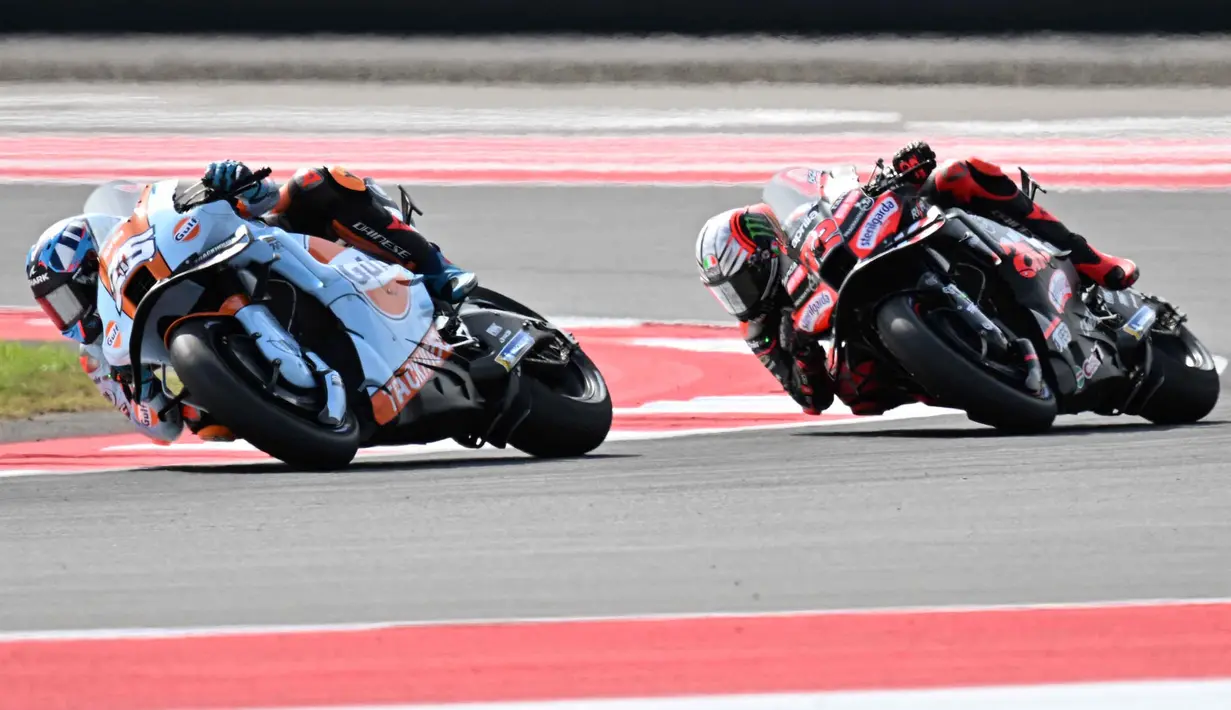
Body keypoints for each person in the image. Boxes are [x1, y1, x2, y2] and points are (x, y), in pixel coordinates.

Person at [24, 161, 478, 445]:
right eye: (55, 308)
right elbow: (160, 429)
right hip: (256, 402)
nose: (69, 315)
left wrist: (230, 185)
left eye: (67, 298)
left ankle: (436, 268)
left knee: (314, 184)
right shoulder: (98, 357)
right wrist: (150, 392)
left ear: (94, 267)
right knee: (208, 424)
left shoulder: (146, 245)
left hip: (273, 251)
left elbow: (261, 197)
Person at [694, 140, 1140, 416]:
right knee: (857, 391)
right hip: (871, 339)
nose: (740, 300)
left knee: (959, 174)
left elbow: (837, 188)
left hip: (875, 250)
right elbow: (813, 400)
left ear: (769, 252)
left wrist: (902, 171)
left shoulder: (798, 225)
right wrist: (802, 350)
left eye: (741, 283)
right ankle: (966, 372)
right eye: (727, 293)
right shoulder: (761, 329)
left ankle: (1091, 260)